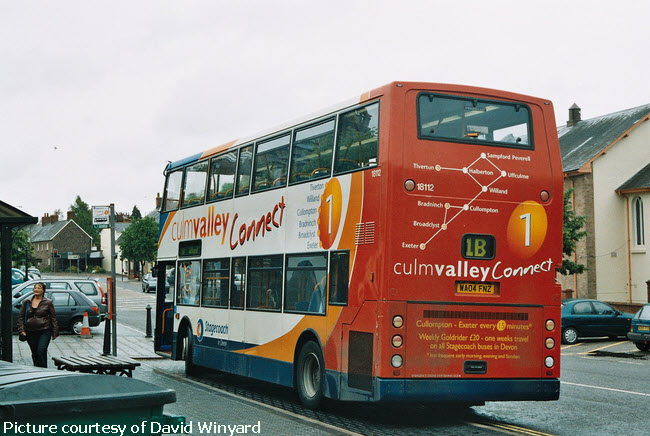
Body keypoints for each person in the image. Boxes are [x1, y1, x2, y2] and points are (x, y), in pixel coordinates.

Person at [17, 282, 59, 368]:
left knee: (41, 351)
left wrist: (55, 331)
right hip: (30, 331)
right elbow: (21, 317)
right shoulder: (27, 302)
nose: (36, 289)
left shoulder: (48, 302)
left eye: (39, 288)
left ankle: (43, 371)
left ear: (43, 290)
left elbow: (53, 317)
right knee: (35, 353)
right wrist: (22, 330)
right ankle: (36, 369)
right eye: (35, 288)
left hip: (44, 330)